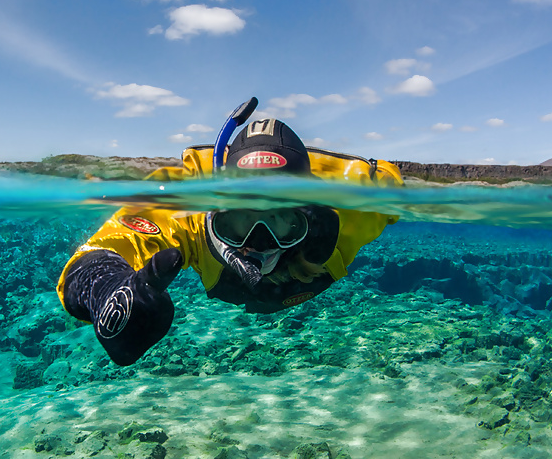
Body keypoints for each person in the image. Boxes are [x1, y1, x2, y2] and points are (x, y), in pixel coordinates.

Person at [56, 98, 404, 366]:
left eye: (283, 222)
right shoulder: (188, 205)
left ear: (311, 221)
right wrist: (105, 289)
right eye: (238, 222)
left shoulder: (355, 207)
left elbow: (393, 188)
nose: (260, 243)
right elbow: (105, 247)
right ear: (215, 214)